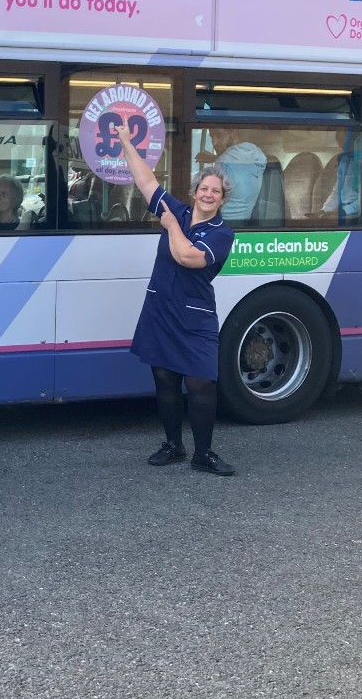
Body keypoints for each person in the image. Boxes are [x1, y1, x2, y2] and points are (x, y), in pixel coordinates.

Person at [113, 121, 237, 476]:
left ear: (222, 199)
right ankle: (173, 445)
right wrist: (124, 140)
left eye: (216, 191)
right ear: (194, 190)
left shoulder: (222, 233)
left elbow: (188, 257)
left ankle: (204, 454)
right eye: (204, 188)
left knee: (201, 384)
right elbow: (145, 180)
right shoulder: (177, 210)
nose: (208, 194)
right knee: (164, 380)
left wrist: (170, 228)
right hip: (161, 310)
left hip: (195, 318)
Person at [194, 128, 266, 222]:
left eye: (219, 135)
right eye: (212, 137)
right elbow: (236, 166)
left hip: (220, 224)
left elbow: (206, 201)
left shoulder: (224, 165)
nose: (214, 143)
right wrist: (216, 158)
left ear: (233, 133)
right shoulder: (255, 159)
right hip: (242, 223)